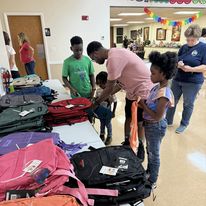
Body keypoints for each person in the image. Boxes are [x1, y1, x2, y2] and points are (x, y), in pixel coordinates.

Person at [87, 41, 153, 160]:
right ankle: (127, 142)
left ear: (95, 53)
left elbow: (109, 86)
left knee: (139, 122)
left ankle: (141, 146)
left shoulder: (113, 58)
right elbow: (119, 84)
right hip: (131, 90)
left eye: (93, 59)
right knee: (128, 117)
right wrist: (104, 96)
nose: (95, 61)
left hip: (143, 89)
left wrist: (96, 103)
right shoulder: (114, 54)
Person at [139, 51, 177, 188]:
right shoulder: (156, 87)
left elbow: (157, 116)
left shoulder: (164, 93)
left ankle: (153, 180)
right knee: (150, 150)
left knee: (154, 154)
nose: (150, 76)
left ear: (164, 74)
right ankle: (149, 172)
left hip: (156, 126)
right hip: (150, 125)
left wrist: (143, 105)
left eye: (153, 73)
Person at [166, 24, 206, 134]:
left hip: (193, 82)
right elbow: (177, 60)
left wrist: (192, 68)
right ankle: (168, 120)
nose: (189, 42)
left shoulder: (204, 48)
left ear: (198, 38)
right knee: (171, 101)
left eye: (192, 40)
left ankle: (184, 124)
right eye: (187, 40)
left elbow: (204, 66)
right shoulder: (184, 47)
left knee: (188, 103)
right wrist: (178, 64)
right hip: (178, 79)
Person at [96, 71, 117, 145]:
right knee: (102, 123)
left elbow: (115, 101)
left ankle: (109, 136)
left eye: (102, 83)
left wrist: (113, 112)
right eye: (99, 84)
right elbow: (96, 100)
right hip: (101, 111)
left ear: (107, 82)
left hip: (108, 112)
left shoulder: (110, 91)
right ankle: (102, 134)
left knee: (108, 124)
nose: (100, 85)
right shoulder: (98, 90)